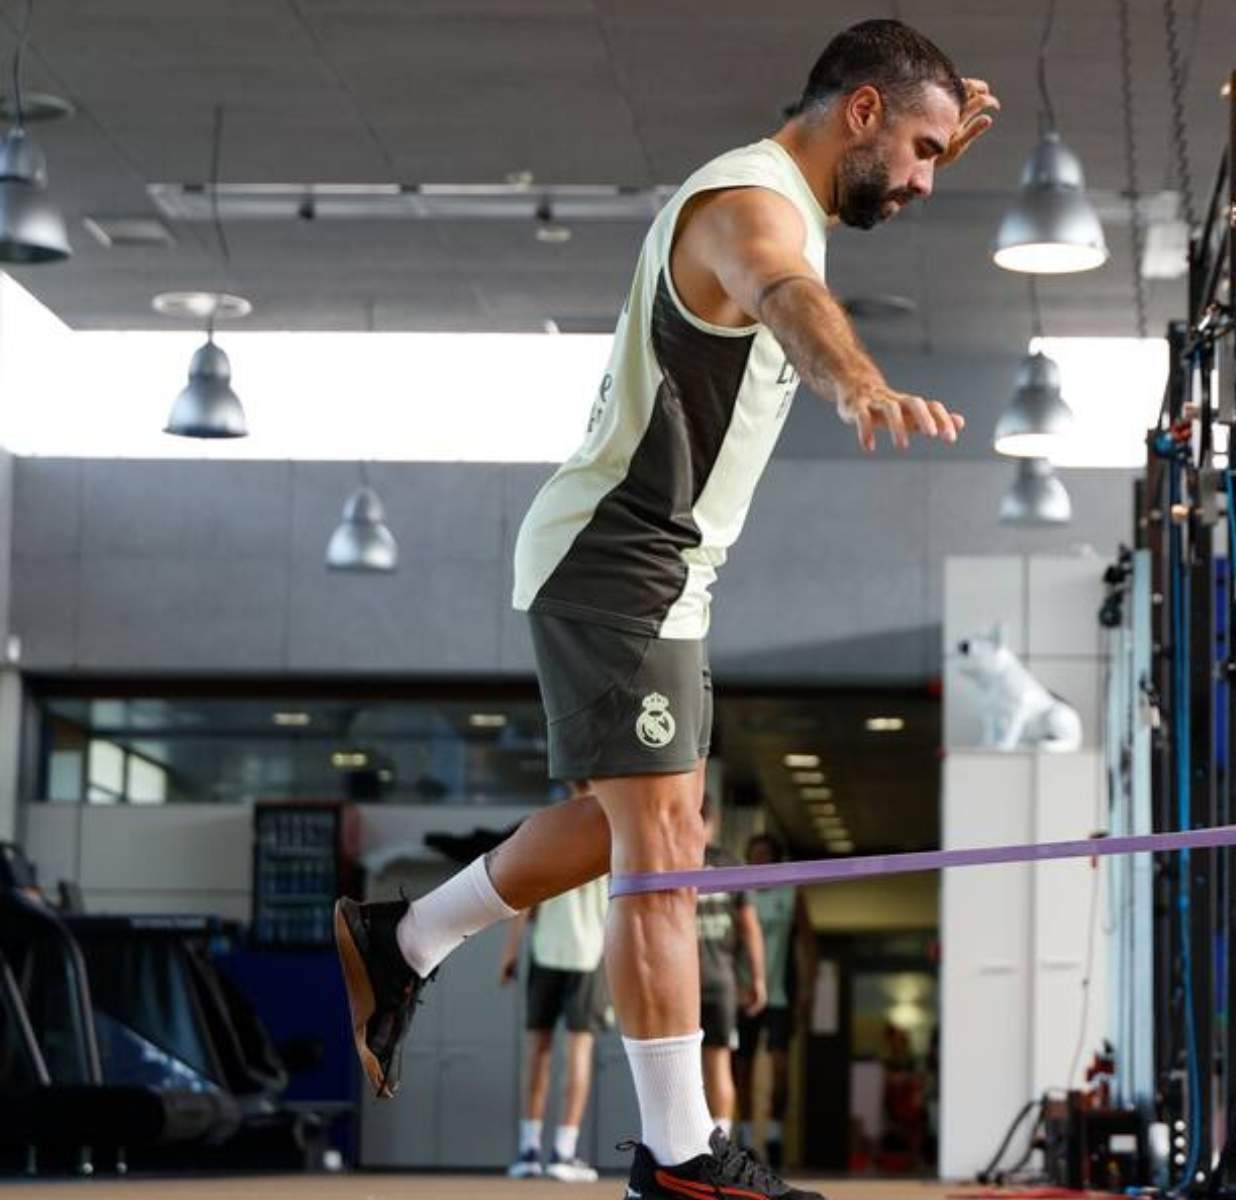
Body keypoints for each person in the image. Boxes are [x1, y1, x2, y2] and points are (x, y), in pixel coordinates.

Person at [331, 19, 995, 1200]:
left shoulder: (793, 191)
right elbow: (781, 291)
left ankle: (409, 936)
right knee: (663, 853)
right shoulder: (746, 211)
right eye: (918, 149)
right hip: (617, 560)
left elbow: (826, 229)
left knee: (633, 826)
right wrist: (858, 380)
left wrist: (930, 135)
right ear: (857, 113)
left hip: (663, 570)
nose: (924, 179)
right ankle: (681, 1158)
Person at [498, 816, 612, 1183]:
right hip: (588, 955)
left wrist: (510, 952)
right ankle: (562, 1151)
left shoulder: (550, 838)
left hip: (549, 952)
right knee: (576, 1052)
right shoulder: (608, 835)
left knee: (538, 1051)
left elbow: (524, 900)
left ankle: (529, 1150)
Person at [732, 833, 814, 1166]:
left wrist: (809, 988)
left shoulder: (791, 894)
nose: (759, 862)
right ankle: (749, 1139)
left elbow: (809, 943)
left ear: (775, 860)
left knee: (780, 1069)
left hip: (780, 994)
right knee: (742, 1069)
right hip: (743, 994)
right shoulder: (739, 893)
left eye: (765, 855)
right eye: (754, 856)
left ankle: (776, 1135)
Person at [696, 798, 765, 1143]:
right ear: (715, 820)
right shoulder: (731, 865)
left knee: (679, 1069)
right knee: (719, 1062)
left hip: (681, 984)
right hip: (719, 980)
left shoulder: (672, 861)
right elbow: (750, 928)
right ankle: (720, 1143)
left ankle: (684, 1147)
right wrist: (758, 980)